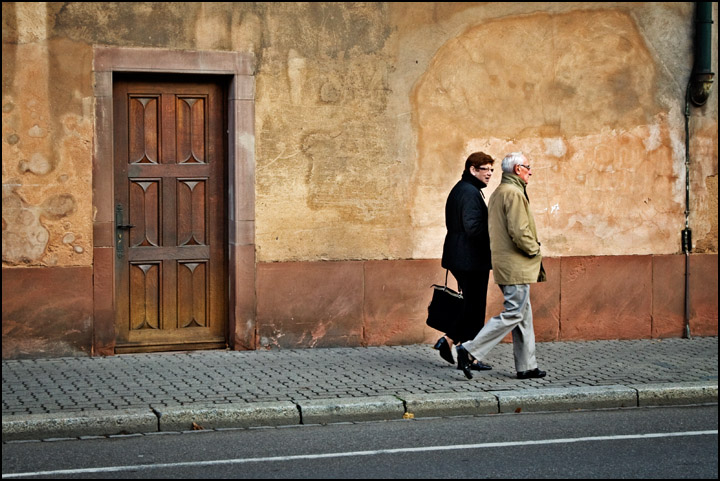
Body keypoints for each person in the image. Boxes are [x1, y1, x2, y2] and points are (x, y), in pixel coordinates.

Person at [455, 152, 547, 380]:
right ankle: (469, 349)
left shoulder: (498, 192)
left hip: (506, 263)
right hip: (516, 264)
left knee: (523, 313)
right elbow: (519, 231)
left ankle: (527, 366)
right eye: (528, 167)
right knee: (515, 312)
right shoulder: (513, 193)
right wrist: (534, 249)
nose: (531, 171)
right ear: (517, 169)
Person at [433, 151, 495, 372]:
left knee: (471, 306)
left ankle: (451, 342)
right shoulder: (469, 192)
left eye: (491, 169)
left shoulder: (463, 189)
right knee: (476, 308)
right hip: (470, 258)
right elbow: (473, 227)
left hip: (461, 256)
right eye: (485, 169)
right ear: (472, 169)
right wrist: (494, 233)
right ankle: (468, 354)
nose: (489, 173)